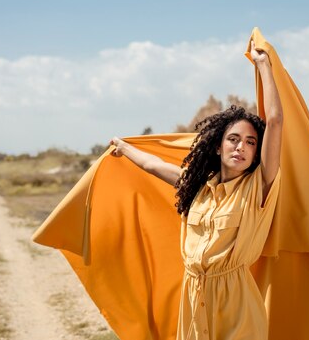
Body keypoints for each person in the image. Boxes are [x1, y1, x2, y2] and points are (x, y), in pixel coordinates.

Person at [108, 39, 283, 340]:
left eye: (251, 143)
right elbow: (152, 165)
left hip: (235, 302)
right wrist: (123, 148)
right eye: (234, 139)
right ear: (217, 146)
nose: (242, 147)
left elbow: (277, 121)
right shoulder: (197, 187)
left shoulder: (259, 187)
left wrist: (263, 65)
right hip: (194, 296)